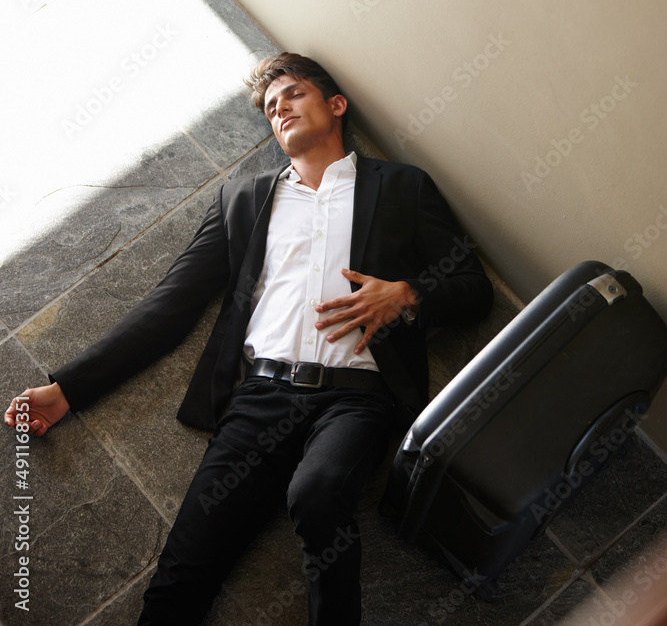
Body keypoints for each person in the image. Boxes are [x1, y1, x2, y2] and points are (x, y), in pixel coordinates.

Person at [5, 52, 493, 625]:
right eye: (269, 106)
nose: (278, 107)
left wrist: (407, 295)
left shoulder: (402, 186)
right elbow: (170, 306)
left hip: (358, 398)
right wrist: (67, 390)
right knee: (181, 575)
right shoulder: (243, 200)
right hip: (258, 402)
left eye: (293, 94)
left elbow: (474, 290)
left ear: (336, 106)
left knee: (316, 496)